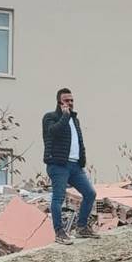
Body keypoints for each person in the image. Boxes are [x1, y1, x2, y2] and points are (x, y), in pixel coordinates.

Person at [41, 88, 97, 244]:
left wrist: (82, 159)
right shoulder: (50, 117)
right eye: (66, 100)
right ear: (59, 102)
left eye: (72, 100)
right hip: (58, 165)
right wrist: (65, 116)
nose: (70, 103)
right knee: (58, 198)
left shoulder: (75, 119)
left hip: (75, 166)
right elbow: (53, 132)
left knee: (90, 193)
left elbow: (79, 141)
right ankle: (59, 232)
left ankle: (81, 227)